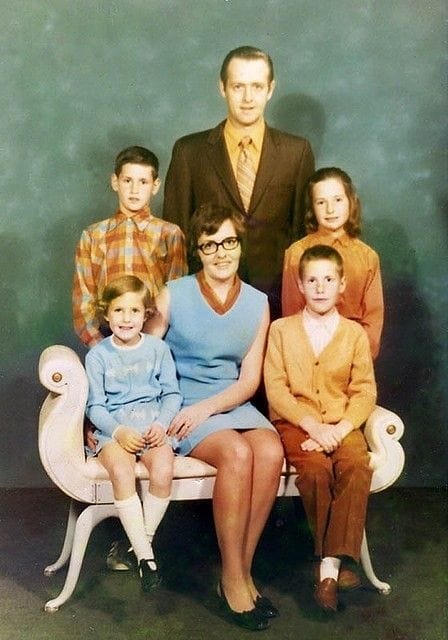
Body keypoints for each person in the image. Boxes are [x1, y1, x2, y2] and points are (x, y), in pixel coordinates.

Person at [147, 204, 284, 630]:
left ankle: (241, 571)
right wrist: (175, 410)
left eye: (229, 242)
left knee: (270, 450)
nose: (221, 253)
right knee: (237, 453)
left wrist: (209, 407)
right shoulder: (174, 293)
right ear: (198, 251)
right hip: (183, 406)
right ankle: (232, 579)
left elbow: (249, 380)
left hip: (227, 402)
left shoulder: (258, 303)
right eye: (210, 245)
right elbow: (147, 357)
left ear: (240, 246)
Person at [163, 45, 315, 318]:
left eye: (257, 86)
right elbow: (176, 236)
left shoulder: (297, 152)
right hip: (205, 300)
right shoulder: (189, 152)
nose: (248, 98)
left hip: (277, 298)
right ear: (222, 88)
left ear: (270, 89)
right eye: (238, 87)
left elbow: (302, 235)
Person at [264, 245, 377, 613]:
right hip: (298, 423)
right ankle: (337, 566)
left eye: (329, 279)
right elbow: (276, 389)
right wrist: (312, 425)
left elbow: (364, 391)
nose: (320, 287)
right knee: (314, 471)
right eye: (312, 280)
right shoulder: (281, 330)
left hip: (342, 424)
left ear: (342, 284)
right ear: (300, 285)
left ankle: (327, 567)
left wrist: (339, 430)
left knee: (356, 465)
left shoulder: (354, 334)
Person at [85, 275, 182, 592]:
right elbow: (95, 406)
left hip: (152, 426)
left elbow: (172, 395)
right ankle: (147, 559)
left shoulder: (158, 349)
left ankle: (139, 549)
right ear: (106, 314)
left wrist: (161, 424)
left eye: (134, 311)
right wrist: (118, 431)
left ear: (146, 314)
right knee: (121, 470)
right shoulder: (98, 355)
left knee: (163, 468)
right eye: (118, 310)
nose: (126, 318)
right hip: (114, 430)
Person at [73, 145, 187, 348]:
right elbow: (83, 303)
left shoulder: (170, 234)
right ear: (115, 182)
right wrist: (101, 348)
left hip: (154, 341)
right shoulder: (92, 235)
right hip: (106, 342)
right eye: (127, 181)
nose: (134, 190)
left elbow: (175, 299)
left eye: (143, 182)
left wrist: (147, 347)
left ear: (155, 185)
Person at [282, 166, 384, 358]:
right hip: (309, 354)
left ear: (351, 201)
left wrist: (357, 358)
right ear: (312, 208)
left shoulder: (367, 257)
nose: (330, 209)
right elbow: (291, 315)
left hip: (354, 354)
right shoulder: (297, 253)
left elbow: (373, 318)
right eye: (321, 202)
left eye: (338, 200)